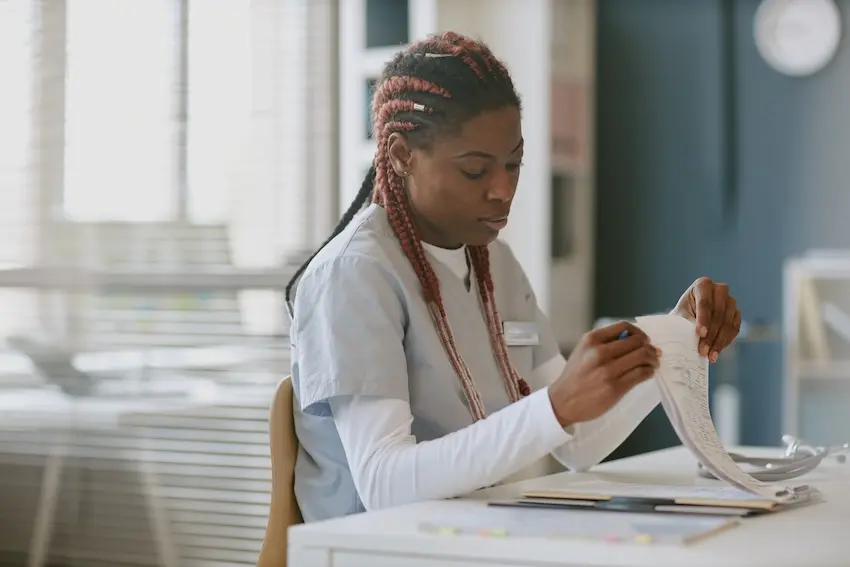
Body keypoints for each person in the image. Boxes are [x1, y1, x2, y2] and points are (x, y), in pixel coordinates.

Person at [285, 31, 742, 523]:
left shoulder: (493, 263)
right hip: (371, 549)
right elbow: (383, 483)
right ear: (401, 155)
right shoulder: (355, 274)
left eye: (512, 164)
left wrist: (673, 340)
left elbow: (579, 443)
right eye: (475, 171)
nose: (502, 190)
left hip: (469, 537)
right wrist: (557, 407)